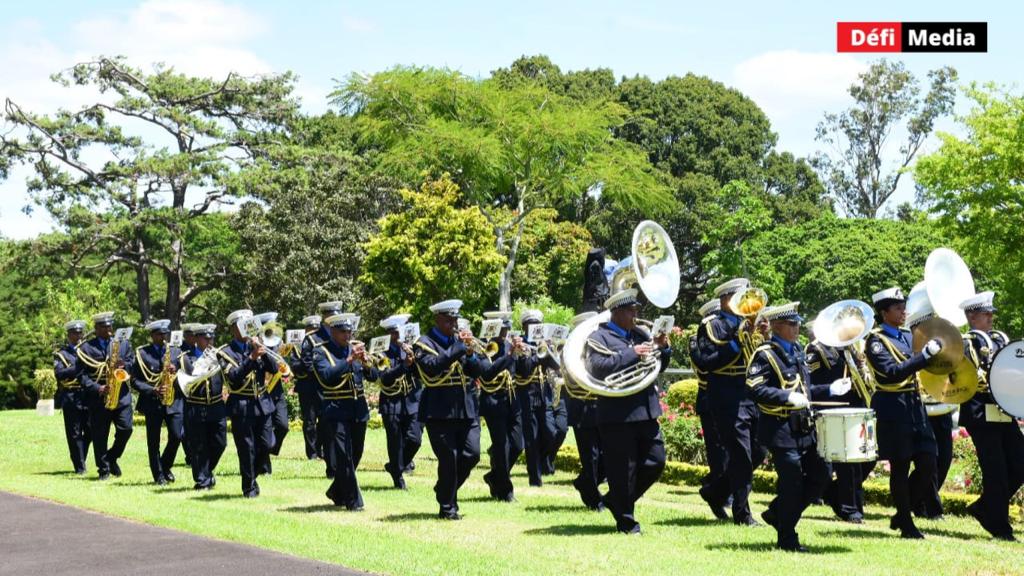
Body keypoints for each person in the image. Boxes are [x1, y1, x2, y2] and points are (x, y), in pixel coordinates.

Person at [748, 302, 846, 552]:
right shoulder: (765, 354)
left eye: (798, 323)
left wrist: (830, 389)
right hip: (780, 429)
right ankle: (787, 537)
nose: (797, 328)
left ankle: (777, 513)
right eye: (792, 324)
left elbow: (806, 391)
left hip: (804, 427)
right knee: (791, 481)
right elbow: (755, 388)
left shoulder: (797, 351)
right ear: (777, 326)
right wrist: (785, 397)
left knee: (822, 473)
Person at [585, 288, 671, 534]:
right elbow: (597, 368)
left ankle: (616, 500)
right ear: (617, 312)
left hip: (645, 409)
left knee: (656, 461)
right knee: (624, 470)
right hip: (617, 413)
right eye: (632, 311)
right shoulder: (599, 337)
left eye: (636, 310)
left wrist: (663, 349)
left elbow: (659, 366)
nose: (636, 315)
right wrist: (631, 353)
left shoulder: (641, 333)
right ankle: (626, 521)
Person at [864, 287, 942, 539]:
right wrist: (923, 358)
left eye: (903, 306)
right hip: (892, 407)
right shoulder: (875, 341)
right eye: (897, 308)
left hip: (913, 404)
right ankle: (906, 523)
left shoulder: (909, 336)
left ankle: (902, 511)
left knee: (929, 460)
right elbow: (892, 372)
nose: (903, 311)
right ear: (884, 312)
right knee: (900, 465)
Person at [692, 278, 767, 525]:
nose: (744, 302)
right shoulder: (713, 325)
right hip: (725, 393)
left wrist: (763, 337)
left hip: (749, 392)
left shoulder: (747, 323)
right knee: (741, 454)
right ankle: (742, 513)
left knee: (758, 450)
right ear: (725, 300)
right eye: (738, 297)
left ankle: (716, 492)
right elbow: (707, 360)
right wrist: (737, 340)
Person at [959, 291, 1024, 541]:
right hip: (980, 414)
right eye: (986, 315)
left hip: (1003, 411)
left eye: (990, 314)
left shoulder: (999, 339)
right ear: (972, 317)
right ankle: (999, 527)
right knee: (995, 471)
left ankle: (985, 507)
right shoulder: (964, 343)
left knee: (1020, 464)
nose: (991, 318)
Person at [414, 299, 484, 520]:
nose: (453, 324)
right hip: (439, 410)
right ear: (437, 319)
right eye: (448, 320)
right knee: (448, 460)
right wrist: (458, 349)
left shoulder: (460, 342)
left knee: (472, 454)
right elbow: (431, 368)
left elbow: (479, 371)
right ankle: (448, 507)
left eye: (455, 320)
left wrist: (472, 354)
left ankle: (445, 489)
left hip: (466, 408)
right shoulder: (423, 343)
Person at [807, 329, 873, 524]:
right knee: (848, 465)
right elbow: (810, 384)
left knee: (867, 459)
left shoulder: (849, 348)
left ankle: (836, 495)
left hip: (856, 408)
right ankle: (851, 509)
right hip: (834, 410)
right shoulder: (817, 349)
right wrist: (832, 388)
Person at [312, 313, 375, 510]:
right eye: (343, 332)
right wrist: (348, 360)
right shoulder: (321, 352)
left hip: (358, 409)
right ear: (332, 331)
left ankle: (336, 491)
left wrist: (366, 363)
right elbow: (326, 376)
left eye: (349, 331)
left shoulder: (355, 349)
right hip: (336, 409)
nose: (347, 336)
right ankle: (354, 502)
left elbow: (373, 376)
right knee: (344, 456)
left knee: (356, 454)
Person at [216, 309, 279, 498]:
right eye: (243, 326)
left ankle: (255, 472)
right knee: (246, 448)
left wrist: (263, 352)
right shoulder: (224, 352)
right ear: (233, 329)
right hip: (241, 405)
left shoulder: (257, 344)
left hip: (262, 403)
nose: (247, 330)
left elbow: (274, 368)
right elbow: (234, 378)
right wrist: (251, 358)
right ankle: (249, 487)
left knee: (268, 444)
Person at [77, 312, 134, 480]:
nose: (108, 330)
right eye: (104, 327)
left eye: (110, 326)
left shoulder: (123, 344)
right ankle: (103, 469)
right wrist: (97, 388)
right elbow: (81, 376)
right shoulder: (86, 348)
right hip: (99, 398)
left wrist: (124, 365)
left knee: (126, 429)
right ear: (96, 328)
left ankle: (111, 457)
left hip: (121, 395)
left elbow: (132, 364)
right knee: (99, 435)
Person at [690, 299, 730, 520]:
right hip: (709, 396)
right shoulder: (697, 339)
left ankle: (720, 488)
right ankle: (719, 490)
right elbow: (703, 365)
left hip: (729, 396)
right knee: (717, 451)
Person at [131, 319, 184, 485]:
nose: (163, 337)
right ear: (152, 335)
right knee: (153, 441)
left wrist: (177, 370)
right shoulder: (142, 354)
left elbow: (186, 372)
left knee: (177, 436)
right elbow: (133, 380)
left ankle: (165, 465)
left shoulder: (175, 352)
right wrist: (151, 389)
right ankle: (158, 475)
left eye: (165, 334)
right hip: (152, 401)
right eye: (160, 334)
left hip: (172, 401)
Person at [477, 311, 522, 501]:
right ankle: (505, 491)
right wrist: (510, 356)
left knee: (518, 444)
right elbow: (487, 373)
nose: (504, 334)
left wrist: (526, 355)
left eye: (506, 329)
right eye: (501, 330)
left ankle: (494, 476)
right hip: (493, 401)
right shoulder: (482, 348)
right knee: (502, 447)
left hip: (512, 400)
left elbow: (522, 371)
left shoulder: (509, 346)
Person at [374, 313, 423, 490]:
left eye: (402, 332)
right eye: (396, 333)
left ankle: (396, 466)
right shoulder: (380, 352)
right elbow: (384, 377)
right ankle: (398, 477)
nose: (399, 337)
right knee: (395, 442)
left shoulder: (413, 348)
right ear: (389, 335)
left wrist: (415, 360)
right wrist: (403, 366)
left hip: (412, 398)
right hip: (391, 401)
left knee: (415, 439)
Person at [563, 311, 605, 510]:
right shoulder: (571, 351)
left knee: (607, 455)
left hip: (602, 407)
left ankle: (585, 483)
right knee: (591, 457)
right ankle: (593, 499)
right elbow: (572, 380)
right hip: (583, 408)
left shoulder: (598, 346)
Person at [515, 309, 559, 487]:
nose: (533, 328)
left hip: (543, 392)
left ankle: (542, 463)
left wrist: (548, 350)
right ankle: (535, 477)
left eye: (536, 325)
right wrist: (537, 356)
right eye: (530, 325)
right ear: (524, 327)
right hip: (527, 393)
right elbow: (524, 369)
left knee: (551, 433)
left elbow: (557, 366)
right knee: (531, 438)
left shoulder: (543, 344)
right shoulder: (519, 345)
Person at [181, 323, 227, 490]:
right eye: (206, 338)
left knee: (220, 443)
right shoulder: (186, 358)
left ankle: (206, 471)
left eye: (212, 338)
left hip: (216, 405)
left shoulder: (219, 356)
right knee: (199, 446)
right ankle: (202, 481)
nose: (210, 341)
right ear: (197, 339)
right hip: (196, 406)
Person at [302, 301, 344, 478]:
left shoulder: (340, 335)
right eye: (330, 315)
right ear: (325, 317)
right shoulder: (312, 338)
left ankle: (333, 460)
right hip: (317, 388)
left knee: (333, 427)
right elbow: (306, 362)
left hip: (338, 389)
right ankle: (325, 460)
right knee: (318, 424)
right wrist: (322, 375)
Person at [254, 311, 290, 476]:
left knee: (283, 426)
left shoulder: (277, 343)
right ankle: (263, 466)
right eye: (268, 328)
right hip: (262, 392)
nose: (272, 330)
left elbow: (284, 365)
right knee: (264, 429)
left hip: (276, 391)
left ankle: (270, 449)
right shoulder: (255, 344)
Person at [54, 319, 90, 475]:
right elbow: (59, 374)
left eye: (80, 333)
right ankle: (79, 465)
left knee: (90, 430)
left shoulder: (87, 350)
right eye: (75, 333)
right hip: (71, 395)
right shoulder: (61, 354)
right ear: (68, 335)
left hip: (87, 394)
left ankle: (81, 457)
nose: (78, 336)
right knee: (74, 433)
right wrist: (77, 368)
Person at [291, 315, 323, 461]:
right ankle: (312, 453)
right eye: (311, 329)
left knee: (324, 420)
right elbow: (294, 366)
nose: (313, 332)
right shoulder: (298, 347)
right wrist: (306, 367)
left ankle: (322, 450)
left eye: (316, 329)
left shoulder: (323, 344)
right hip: (307, 388)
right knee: (310, 421)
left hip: (322, 387)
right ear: (306, 330)